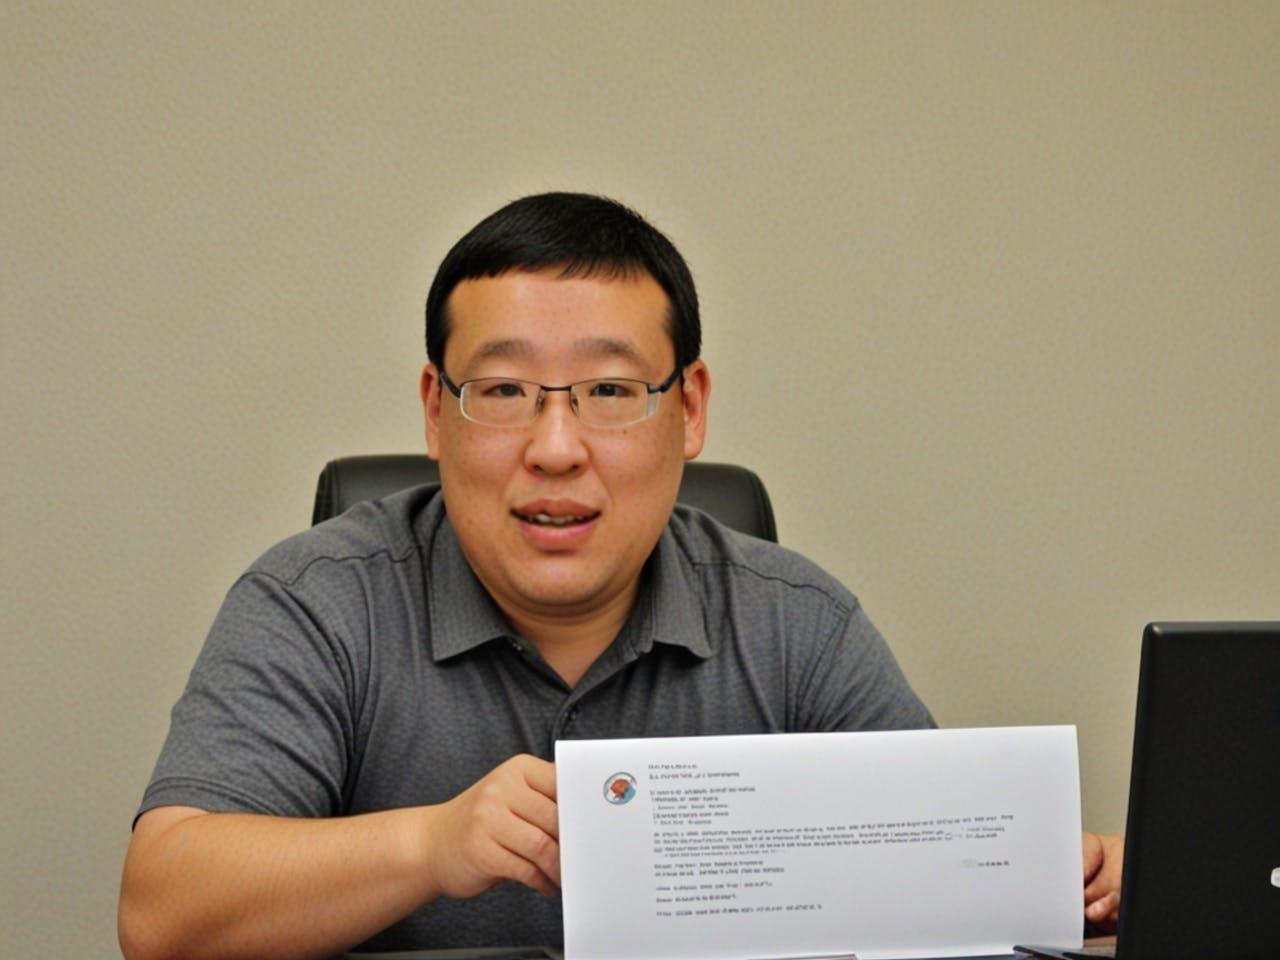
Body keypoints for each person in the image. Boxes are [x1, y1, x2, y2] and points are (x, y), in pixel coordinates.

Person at [119, 192, 1121, 960]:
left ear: (689, 409)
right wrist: (431, 846)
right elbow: (161, 913)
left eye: (608, 390)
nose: (556, 448)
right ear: (434, 410)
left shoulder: (796, 623)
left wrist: (1057, 878)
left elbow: (940, 885)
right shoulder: (318, 600)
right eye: (503, 390)